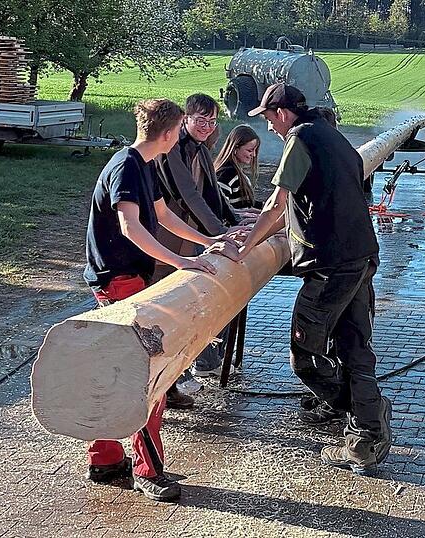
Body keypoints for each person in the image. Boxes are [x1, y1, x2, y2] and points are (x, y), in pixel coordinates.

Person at [224, 83, 392, 476]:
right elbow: (313, 198)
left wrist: (243, 249)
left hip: (331, 265)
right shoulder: (333, 136)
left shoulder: (299, 138)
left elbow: (276, 202)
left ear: (282, 112)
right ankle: (366, 436)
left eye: (268, 118)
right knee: (353, 345)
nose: (268, 128)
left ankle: (364, 416)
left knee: (306, 356)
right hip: (361, 256)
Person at [82, 98, 239, 502]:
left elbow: (164, 215)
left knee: (118, 369)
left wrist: (209, 242)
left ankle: (104, 458)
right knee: (148, 374)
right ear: (170, 132)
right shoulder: (127, 166)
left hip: (132, 277)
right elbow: (130, 226)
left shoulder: (144, 163)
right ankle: (148, 471)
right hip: (119, 281)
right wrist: (184, 262)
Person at [153, 94, 247, 389]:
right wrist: (219, 234)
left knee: (188, 298)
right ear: (185, 119)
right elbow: (188, 195)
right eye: (200, 120)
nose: (207, 126)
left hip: (190, 235)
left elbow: (213, 195)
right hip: (165, 237)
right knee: (165, 305)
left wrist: (237, 220)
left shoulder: (202, 149)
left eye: (212, 121)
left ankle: (185, 371)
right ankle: (169, 379)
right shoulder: (173, 148)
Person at [214, 125, 263, 210]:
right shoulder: (226, 175)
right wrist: (246, 214)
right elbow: (220, 208)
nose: (254, 155)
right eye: (250, 150)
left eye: (255, 151)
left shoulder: (239, 174)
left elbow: (246, 203)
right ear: (235, 148)